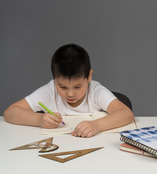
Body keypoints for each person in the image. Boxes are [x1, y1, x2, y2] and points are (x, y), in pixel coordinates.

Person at [4, 44, 134, 137]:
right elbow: (10, 113)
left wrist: (96, 125)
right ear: (54, 80)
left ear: (89, 76)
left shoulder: (95, 91)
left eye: (77, 87)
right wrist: (38, 120)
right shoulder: (49, 91)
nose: (70, 94)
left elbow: (126, 114)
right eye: (62, 87)